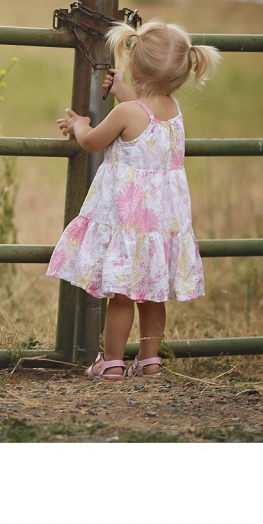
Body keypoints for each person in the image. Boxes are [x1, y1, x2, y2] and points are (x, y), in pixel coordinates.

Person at [47, 19, 221, 381]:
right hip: (161, 223)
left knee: (123, 294)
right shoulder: (172, 110)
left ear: (134, 65)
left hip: (131, 221)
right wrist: (125, 90)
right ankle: (150, 360)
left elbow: (94, 141)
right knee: (153, 294)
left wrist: (80, 123)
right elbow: (145, 117)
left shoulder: (127, 113)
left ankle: (110, 362)